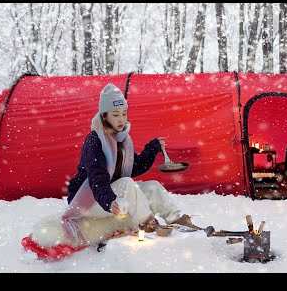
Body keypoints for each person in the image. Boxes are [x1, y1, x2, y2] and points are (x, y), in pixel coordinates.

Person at [61, 83, 197, 244]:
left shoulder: (122, 139)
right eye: (116, 114)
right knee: (127, 183)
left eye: (124, 114)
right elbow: (97, 177)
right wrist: (110, 201)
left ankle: (176, 219)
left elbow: (134, 168)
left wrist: (152, 148)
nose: (121, 119)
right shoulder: (95, 141)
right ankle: (147, 223)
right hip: (90, 202)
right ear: (104, 116)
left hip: (112, 196)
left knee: (152, 186)